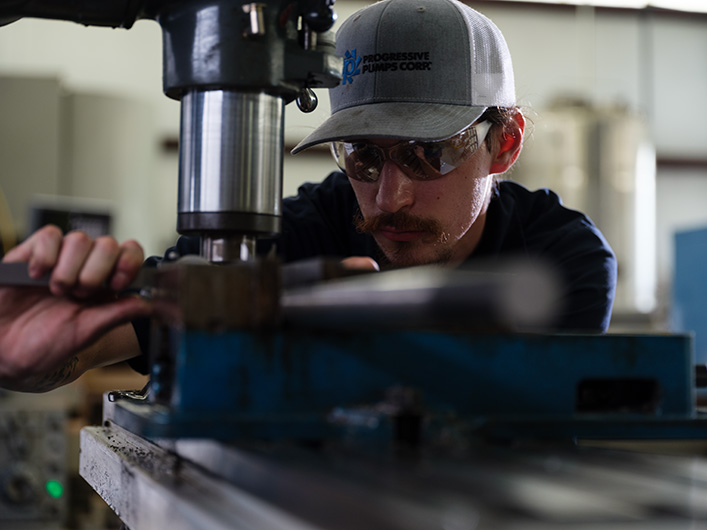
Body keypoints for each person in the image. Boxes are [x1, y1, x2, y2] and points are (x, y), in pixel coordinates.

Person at [0, 0, 616, 391]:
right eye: (363, 156)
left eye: (428, 154)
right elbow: (118, 331)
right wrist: (34, 353)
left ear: (503, 144)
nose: (389, 196)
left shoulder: (564, 259)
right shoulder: (300, 235)